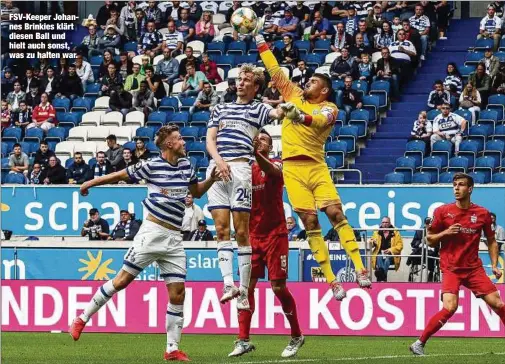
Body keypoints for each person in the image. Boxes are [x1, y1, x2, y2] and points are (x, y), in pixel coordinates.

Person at [69, 125, 221, 362]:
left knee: (178, 293)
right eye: (179, 139)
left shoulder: (186, 166)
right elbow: (119, 176)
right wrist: (91, 183)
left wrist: (211, 178)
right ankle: (82, 318)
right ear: (169, 144)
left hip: (174, 238)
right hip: (152, 233)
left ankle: (172, 349)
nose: (184, 142)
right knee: (121, 281)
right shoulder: (150, 165)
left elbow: (197, 192)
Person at [256, 31, 371, 301]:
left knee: (335, 214)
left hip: (317, 167)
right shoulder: (293, 93)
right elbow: (274, 70)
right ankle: (331, 280)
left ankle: (360, 268)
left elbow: (317, 122)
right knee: (309, 221)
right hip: (292, 170)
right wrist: (260, 41)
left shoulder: (330, 108)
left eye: (314, 81)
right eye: (309, 80)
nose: (308, 82)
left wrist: (297, 115)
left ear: (324, 90)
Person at [205, 62, 287, 309]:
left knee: (241, 232)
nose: (240, 83)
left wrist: (286, 107)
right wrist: (218, 160)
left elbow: (277, 114)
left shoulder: (258, 109)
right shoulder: (220, 108)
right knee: (221, 229)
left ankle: (243, 289)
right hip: (217, 168)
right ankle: (228, 283)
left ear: (255, 86)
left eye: (246, 80)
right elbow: (210, 139)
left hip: (241, 168)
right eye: (239, 79)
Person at [410, 173, 505, 356]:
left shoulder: (482, 214)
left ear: (470, 189)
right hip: (451, 268)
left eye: (461, 185)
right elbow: (430, 240)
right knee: (450, 307)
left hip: (473, 269)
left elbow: (492, 241)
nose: (456, 188)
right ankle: (419, 343)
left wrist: (494, 264)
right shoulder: (442, 212)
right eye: (454, 185)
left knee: (498, 304)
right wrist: (445, 233)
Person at [229, 130, 304, 358]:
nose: (259, 141)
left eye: (264, 140)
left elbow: (271, 170)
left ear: (270, 147)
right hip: (252, 238)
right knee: (245, 288)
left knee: (278, 288)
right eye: (257, 138)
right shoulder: (245, 171)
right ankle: (243, 339)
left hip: (276, 235)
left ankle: (296, 335)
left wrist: (253, 151)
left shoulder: (276, 164)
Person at [369, 216, 403, 282]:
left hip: (391, 255)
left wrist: (390, 250)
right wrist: (373, 242)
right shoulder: (376, 232)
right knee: (379, 257)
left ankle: (380, 278)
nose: (385, 224)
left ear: (390, 223)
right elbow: (371, 242)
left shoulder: (395, 232)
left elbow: (400, 245)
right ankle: (383, 278)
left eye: (386, 222)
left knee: (387, 259)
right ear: (381, 223)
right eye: (383, 222)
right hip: (379, 254)